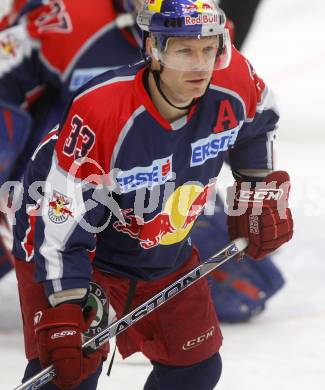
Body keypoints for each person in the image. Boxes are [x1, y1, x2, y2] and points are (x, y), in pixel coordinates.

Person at [12, 1, 293, 389]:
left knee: (195, 369)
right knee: (69, 371)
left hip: (160, 242)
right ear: (153, 50)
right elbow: (61, 217)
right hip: (69, 241)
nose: (200, 64)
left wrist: (257, 190)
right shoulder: (102, 110)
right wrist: (66, 302)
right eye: (184, 50)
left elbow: (259, 119)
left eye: (209, 48)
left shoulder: (234, 79)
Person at [0, 0, 142, 277]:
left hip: (138, 179)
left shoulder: (206, 37)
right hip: (53, 168)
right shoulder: (74, 17)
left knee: (234, 286)